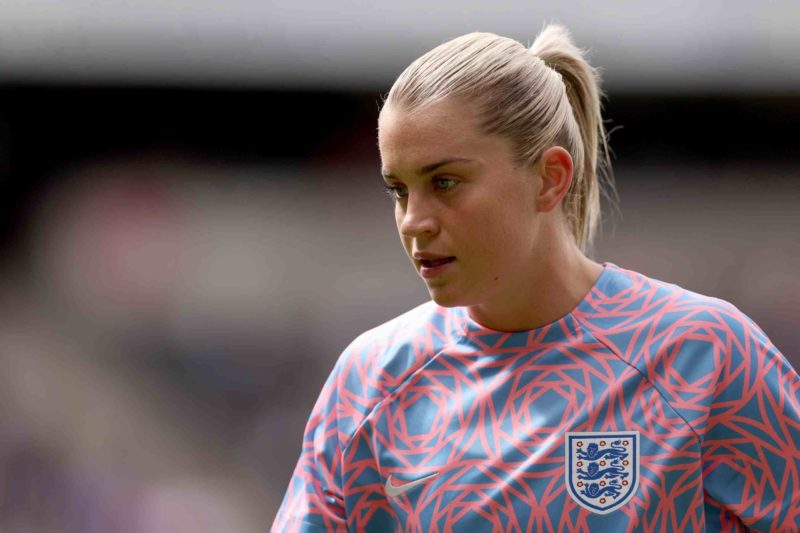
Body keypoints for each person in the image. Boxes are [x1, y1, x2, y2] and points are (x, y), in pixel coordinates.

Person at [272, 23, 800, 532]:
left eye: (446, 182)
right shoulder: (371, 380)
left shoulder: (702, 353)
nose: (414, 220)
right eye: (399, 190)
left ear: (550, 178)